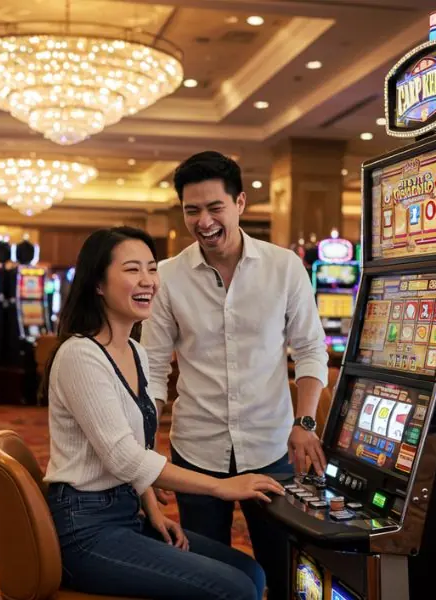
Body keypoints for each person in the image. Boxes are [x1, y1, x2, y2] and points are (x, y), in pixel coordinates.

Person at [43, 226, 285, 600]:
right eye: (132, 269)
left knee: (250, 572)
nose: (148, 281)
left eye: (152, 269)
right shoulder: (80, 355)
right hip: (85, 529)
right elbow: (124, 457)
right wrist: (221, 486)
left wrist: (153, 510)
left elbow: (137, 447)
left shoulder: (135, 352)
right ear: (98, 284)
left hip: (126, 513)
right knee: (234, 589)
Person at [140, 151, 329, 600]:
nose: (203, 222)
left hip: (272, 447)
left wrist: (305, 422)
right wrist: (145, 445)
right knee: (208, 577)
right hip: (197, 448)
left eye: (214, 207)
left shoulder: (284, 267)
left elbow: (309, 349)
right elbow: (153, 366)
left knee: (285, 569)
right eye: (192, 210)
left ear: (240, 203)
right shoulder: (167, 276)